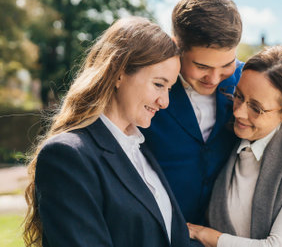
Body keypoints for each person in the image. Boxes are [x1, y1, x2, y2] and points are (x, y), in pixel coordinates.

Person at [142, 0, 282, 225]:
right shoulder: (153, 87)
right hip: (164, 228)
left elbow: (279, 107)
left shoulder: (244, 78)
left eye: (227, 64)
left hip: (221, 228)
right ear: (176, 46)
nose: (214, 77)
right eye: (202, 66)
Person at [23, 17, 191, 247]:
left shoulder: (141, 151)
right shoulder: (67, 155)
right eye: (159, 85)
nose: (165, 102)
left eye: (169, 88)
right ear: (119, 73)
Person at [187, 46, 282, 247]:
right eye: (238, 96)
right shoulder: (229, 136)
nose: (239, 112)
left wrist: (206, 235)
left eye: (256, 108)